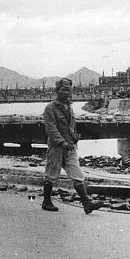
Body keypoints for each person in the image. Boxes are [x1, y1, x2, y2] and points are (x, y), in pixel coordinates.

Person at [42, 78, 96, 214]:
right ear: (57, 91)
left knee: (77, 174)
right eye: (64, 90)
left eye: (69, 89)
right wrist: (62, 142)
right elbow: (51, 129)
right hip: (57, 147)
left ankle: (86, 203)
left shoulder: (70, 107)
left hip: (70, 146)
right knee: (51, 174)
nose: (67, 92)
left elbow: (71, 125)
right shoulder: (50, 108)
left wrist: (74, 137)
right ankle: (46, 201)